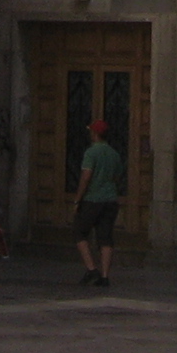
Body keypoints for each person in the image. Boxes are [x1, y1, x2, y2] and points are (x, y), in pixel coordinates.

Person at [72, 118, 124, 288]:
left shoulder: (91, 153)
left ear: (95, 134)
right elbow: (117, 177)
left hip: (92, 199)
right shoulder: (114, 154)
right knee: (105, 237)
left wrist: (77, 199)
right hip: (111, 200)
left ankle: (91, 268)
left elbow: (86, 177)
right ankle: (105, 276)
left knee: (80, 232)